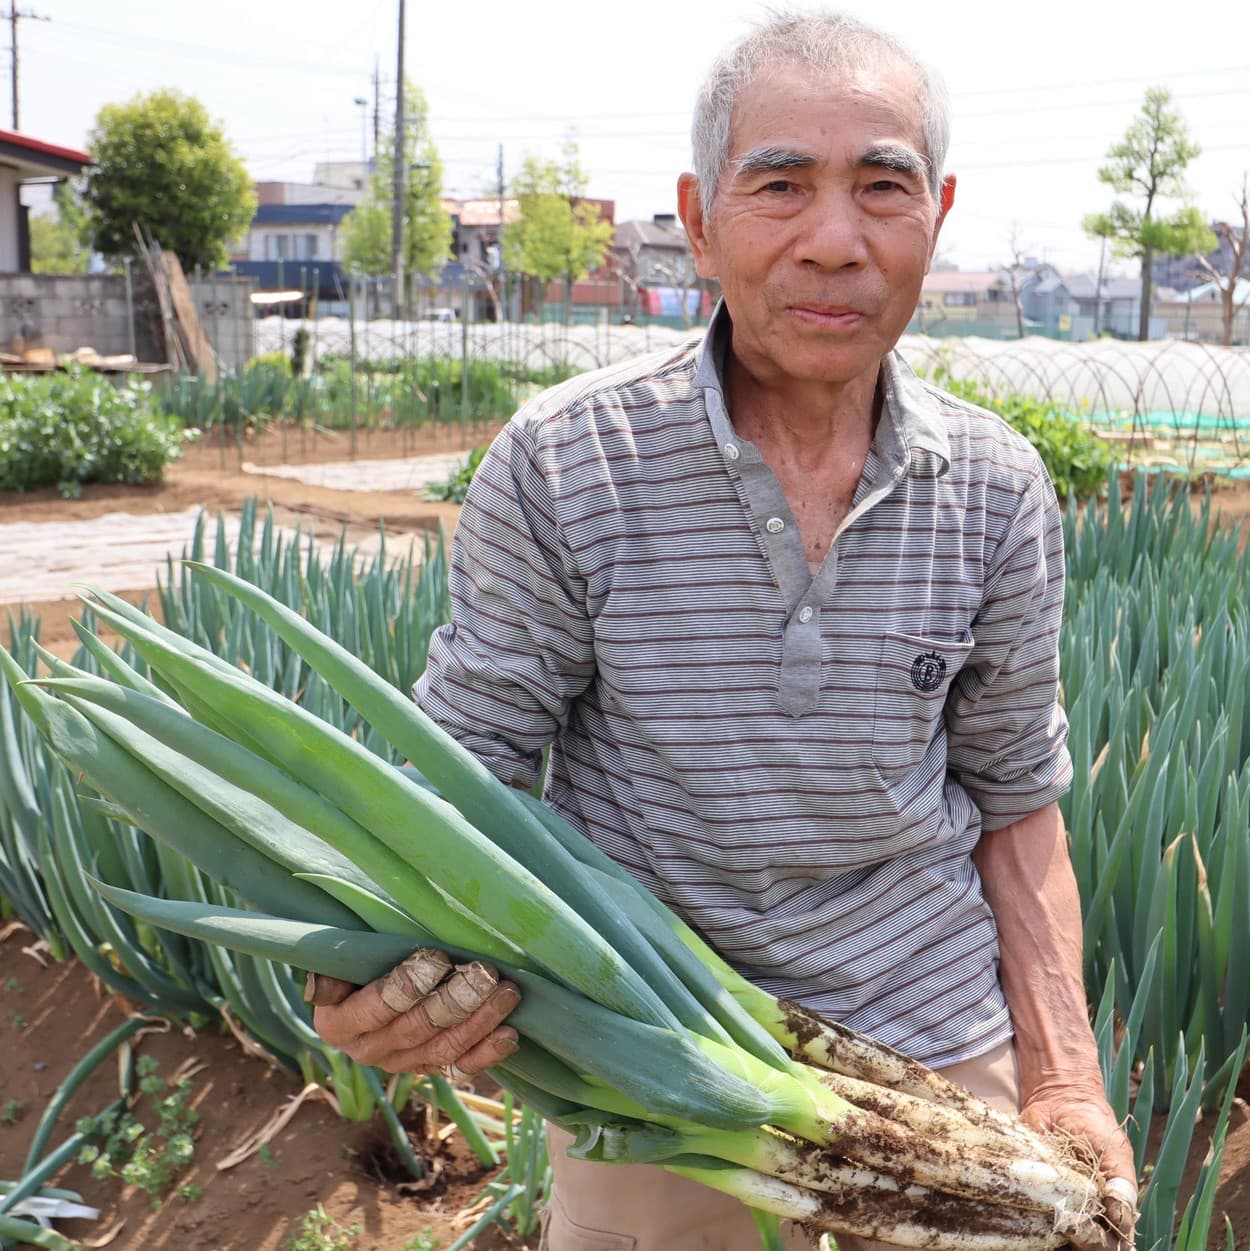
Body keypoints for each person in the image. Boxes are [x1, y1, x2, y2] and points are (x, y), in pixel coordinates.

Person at [308, 11, 1136, 1250]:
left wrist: (1063, 1078)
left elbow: (1014, 801)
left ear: (937, 212)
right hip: (661, 1072)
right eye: (781, 187)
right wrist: (359, 972)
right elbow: (457, 778)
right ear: (698, 221)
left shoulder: (995, 483)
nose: (835, 242)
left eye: (880, 187)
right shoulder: (568, 462)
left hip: (939, 1051)